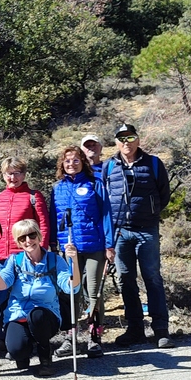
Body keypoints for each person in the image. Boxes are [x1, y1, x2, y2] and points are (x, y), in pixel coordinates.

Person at [103, 123, 173, 348]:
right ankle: (135, 329)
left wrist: (149, 213)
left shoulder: (153, 163)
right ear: (116, 142)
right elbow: (105, 198)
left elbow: (164, 195)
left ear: (138, 140)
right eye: (122, 138)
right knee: (125, 280)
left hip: (147, 230)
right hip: (120, 233)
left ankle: (161, 330)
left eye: (131, 137)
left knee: (152, 278)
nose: (127, 142)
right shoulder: (108, 166)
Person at [0, 219, 81, 377]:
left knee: (37, 315)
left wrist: (75, 262)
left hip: (46, 316)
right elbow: (2, 285)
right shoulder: (15, 261)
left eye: (31, 235)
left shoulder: (54, 260)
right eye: (22, 238)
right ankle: (25, 352)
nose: (28, 241)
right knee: (17, 350)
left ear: (39, 236)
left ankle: (45, 356)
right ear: (18, 242)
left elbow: (71, 286)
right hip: (18, 314)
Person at [49, 146, 114, 359]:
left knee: (93, 292)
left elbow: (106, 214)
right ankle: (71, 338)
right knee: (71, 292)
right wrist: (53, 243)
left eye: (76, 160)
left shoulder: (95, 183)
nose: (71, 164)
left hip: (95, 246)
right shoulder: (57, 188)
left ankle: (94, 338)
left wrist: (109, 245)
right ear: (62, 164)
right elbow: (53, 217)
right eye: (67, 161)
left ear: (83, 162)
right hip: (69, 249)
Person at [0, 156, 50, 265]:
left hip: (26, 258)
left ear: (24, 175)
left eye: (17, 173)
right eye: (9, 173)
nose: (13, 177)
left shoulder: (34, 196)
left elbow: (43, 226)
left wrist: (41, 252)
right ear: (3, 176)